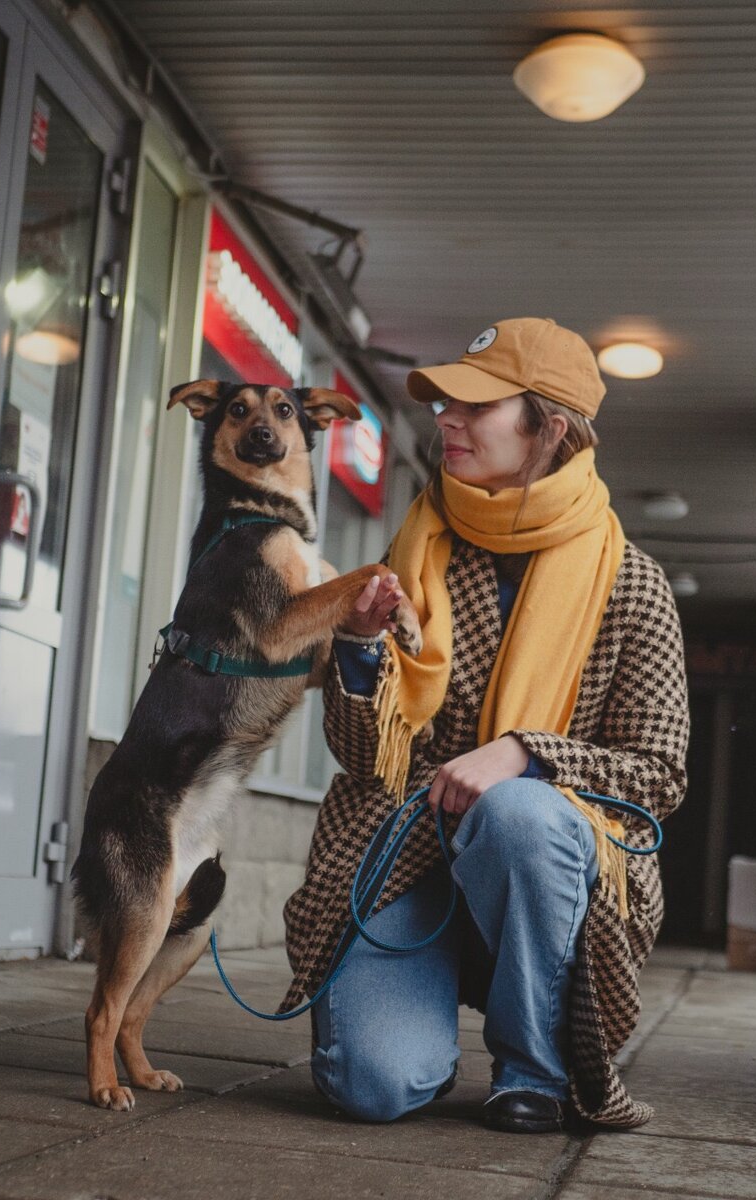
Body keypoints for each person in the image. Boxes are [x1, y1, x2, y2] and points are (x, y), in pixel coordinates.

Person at [281, 317, 689, 1132]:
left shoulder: (631, 584)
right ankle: (418, 1038)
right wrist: (358, 651)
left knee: (520, 812)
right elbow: (366, 763)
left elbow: (659, 774)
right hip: (409, 851)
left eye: (476, 406)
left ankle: (532, 1068)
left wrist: (526, 755)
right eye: (443, 404)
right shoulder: (418, 551)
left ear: (551, 428)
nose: (446, 420)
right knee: (373, 1086)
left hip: (543, 867)